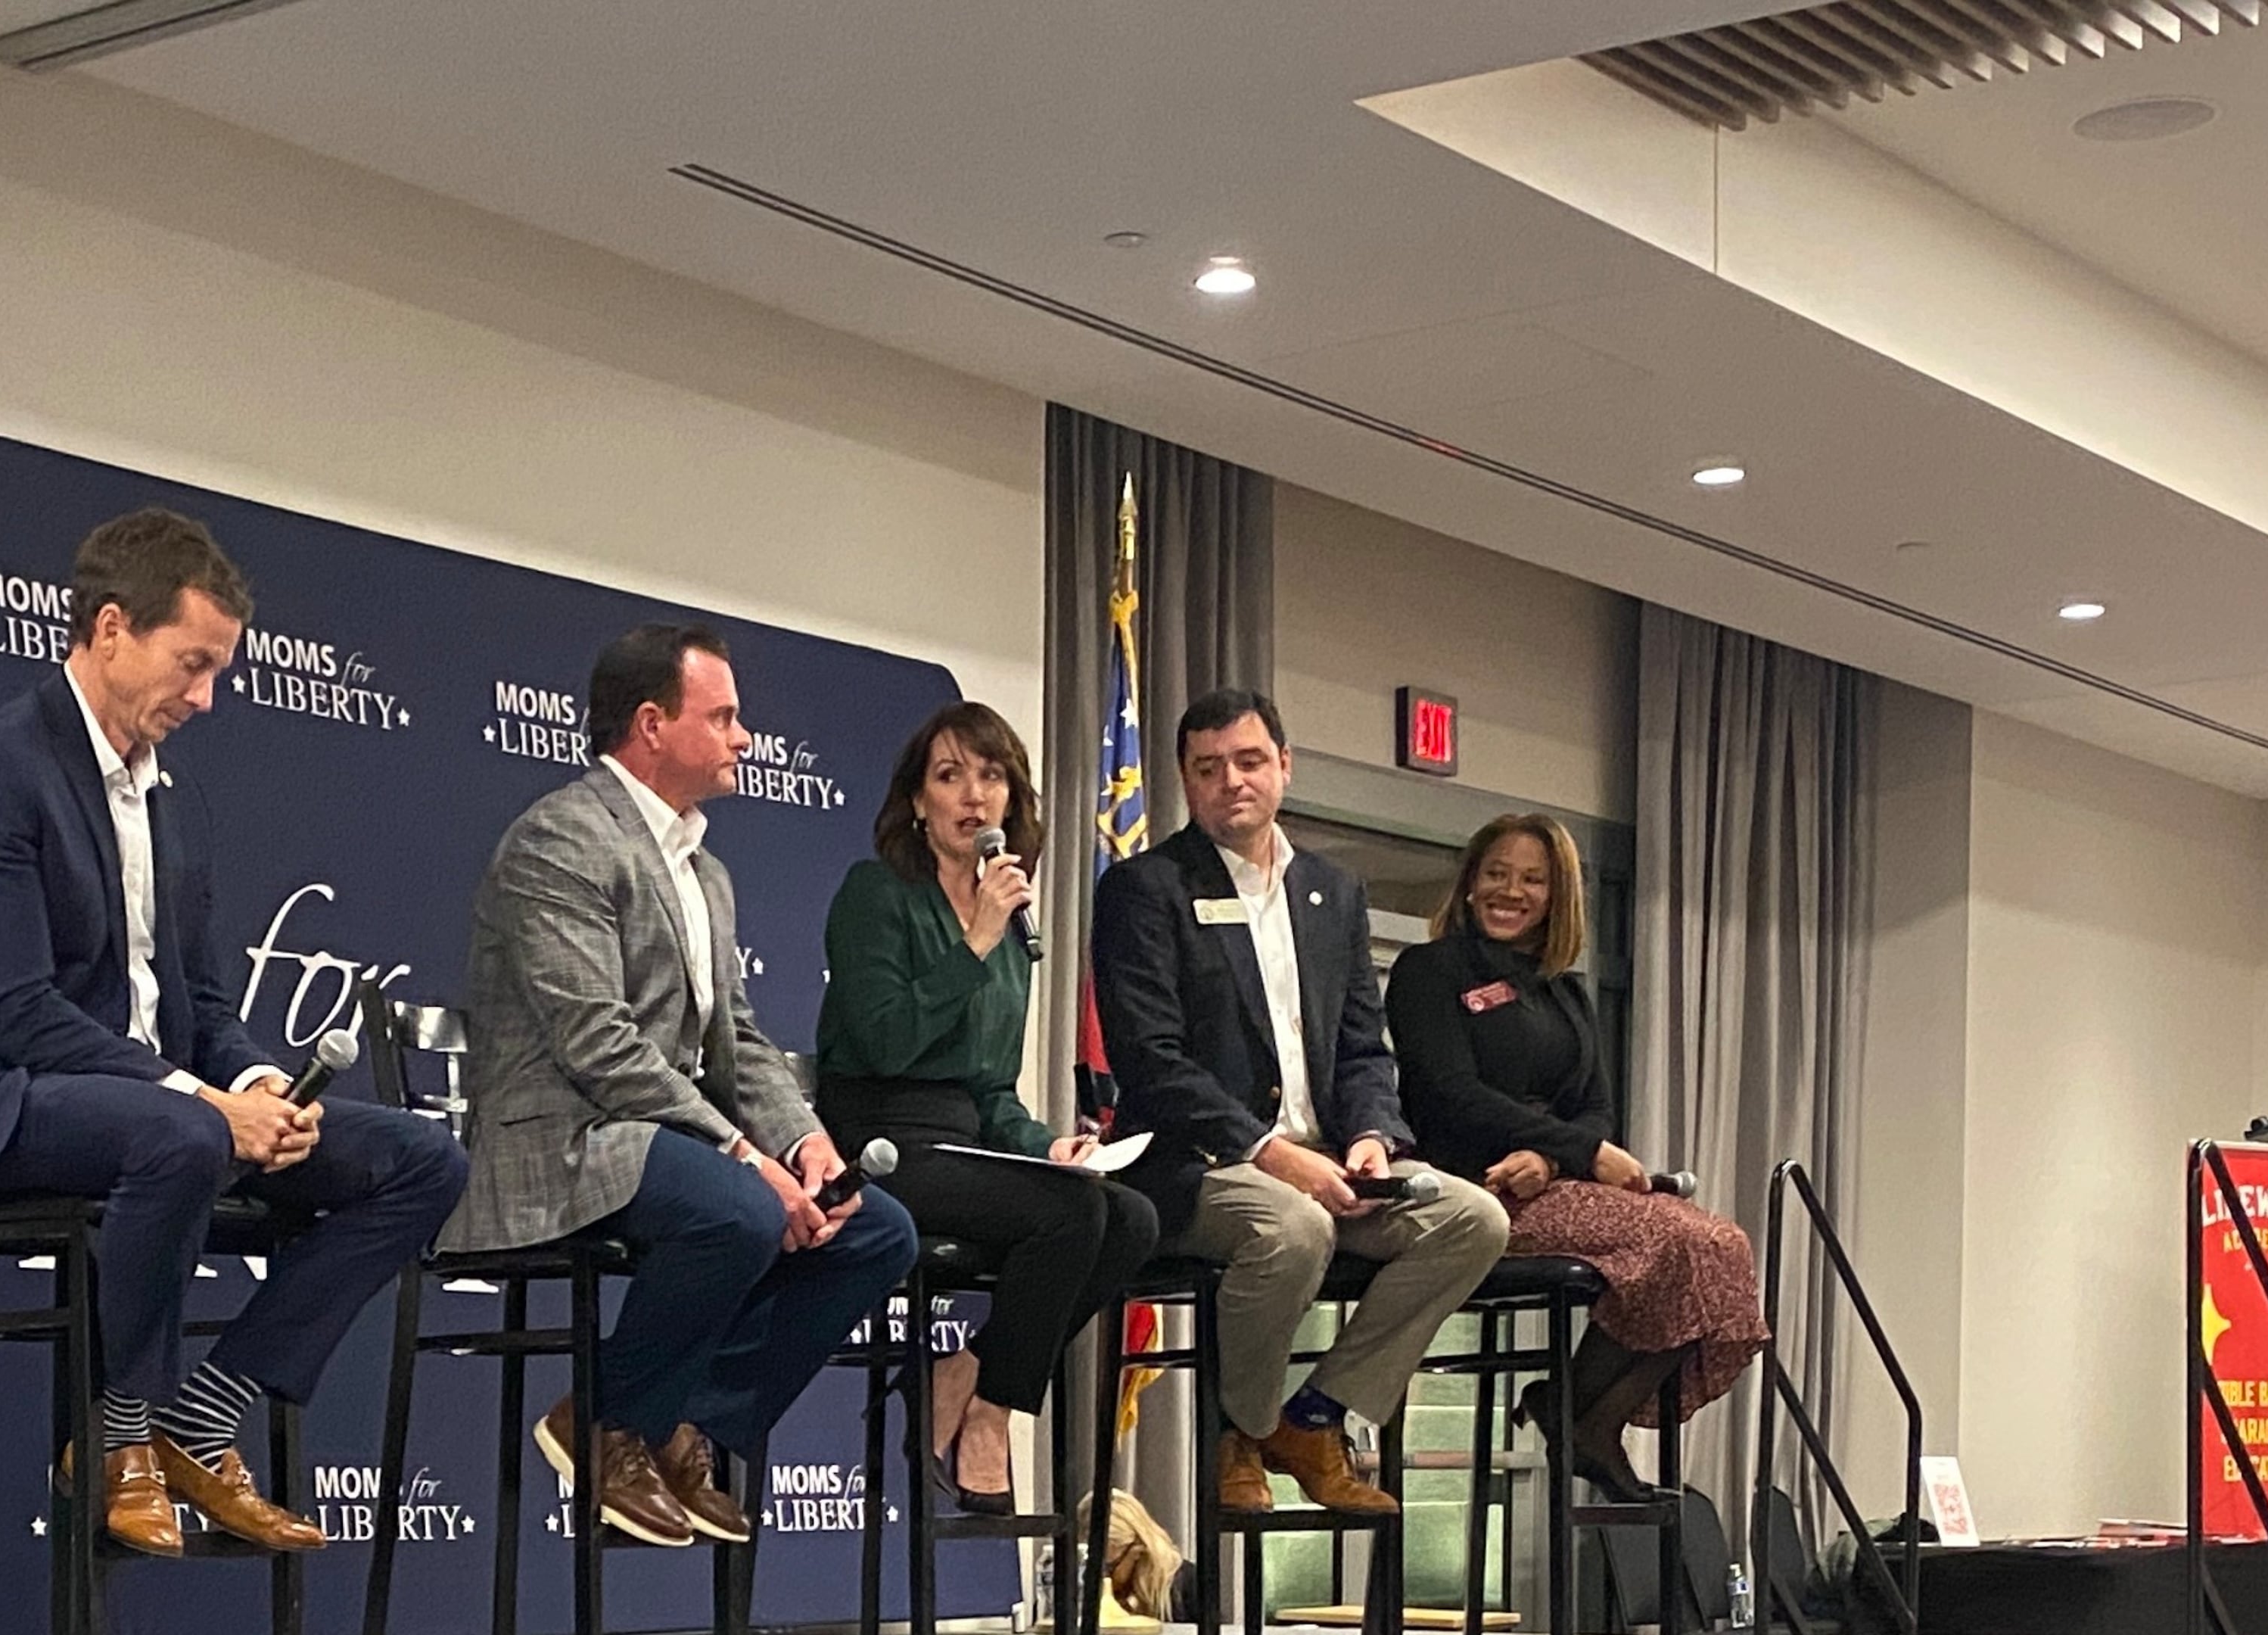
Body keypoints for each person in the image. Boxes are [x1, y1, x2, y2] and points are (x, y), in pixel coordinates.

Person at [0, 507, 468, 1556]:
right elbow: (16, 1012)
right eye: (191, 665)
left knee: (421, 1157)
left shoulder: (173, 803)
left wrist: (254, 1085)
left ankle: (203, 1415)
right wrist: (208, 1106)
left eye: (218, 672)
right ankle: (114, 1440)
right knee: (187, 1139)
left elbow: (198, 1003)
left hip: (154, 1111)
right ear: (111, 629)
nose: (205, 698)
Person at [443, 622, 919, 1549]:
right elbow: (599, 1044)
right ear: (653, 724)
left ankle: (682, 1428)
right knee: (740, 1210)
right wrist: (744, 1155)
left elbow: (736, 1038)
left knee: (877, 1229)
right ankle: (607, 1423)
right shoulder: (561, 838)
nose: (746, 738)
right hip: (564, 1140)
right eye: (727, 716)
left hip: (664, 1139)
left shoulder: (706, 869)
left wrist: (802, 1143)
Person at [1092, 687, 1508, 1515]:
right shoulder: (1146, 889)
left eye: (1249, 762)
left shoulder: (1334, 892)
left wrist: (1372, 1138)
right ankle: (1236, 1433)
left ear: (1285, 766)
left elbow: (1361, 1045)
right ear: (1185, 779)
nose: (1231, 782)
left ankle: (1312, 1418)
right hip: (1198, 1164)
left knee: (1474, 1220)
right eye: (1208, 769)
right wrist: (1271, 1154)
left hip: (1327, 1157)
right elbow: (1153, 1063)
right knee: (1295, 1225)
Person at [814, 702, 1158, 1513]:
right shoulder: (877, 894)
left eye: (992, 775)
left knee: (1133, 1218)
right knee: (1070, 1220)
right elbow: (887, 1042)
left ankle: (968, 1375)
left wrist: (1045, 1149)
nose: (974, 795)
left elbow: (991, 1088)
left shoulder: (1010, 923)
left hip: (966, 1143)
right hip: (881, 1140)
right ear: (916, 803)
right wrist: (971, 940)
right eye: (950, 776)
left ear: (1013, 799)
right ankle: (990, 1419)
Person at [1385, 813, 1766, 1503]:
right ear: (1471, 882)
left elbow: (1595, 1106)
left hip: (1547, 1182)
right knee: (1685, 1240)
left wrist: (1553, 1158)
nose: (1511, 891)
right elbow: (1448, 1095)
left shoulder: (1565, 989)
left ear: (1558, 895)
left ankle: (1585, 1412)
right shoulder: (1429, 970)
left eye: (1533, 879)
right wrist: (1581, 1152)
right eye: (1497, 873)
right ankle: (1583, 1420)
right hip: (1472, 1189)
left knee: (1723, 1247)